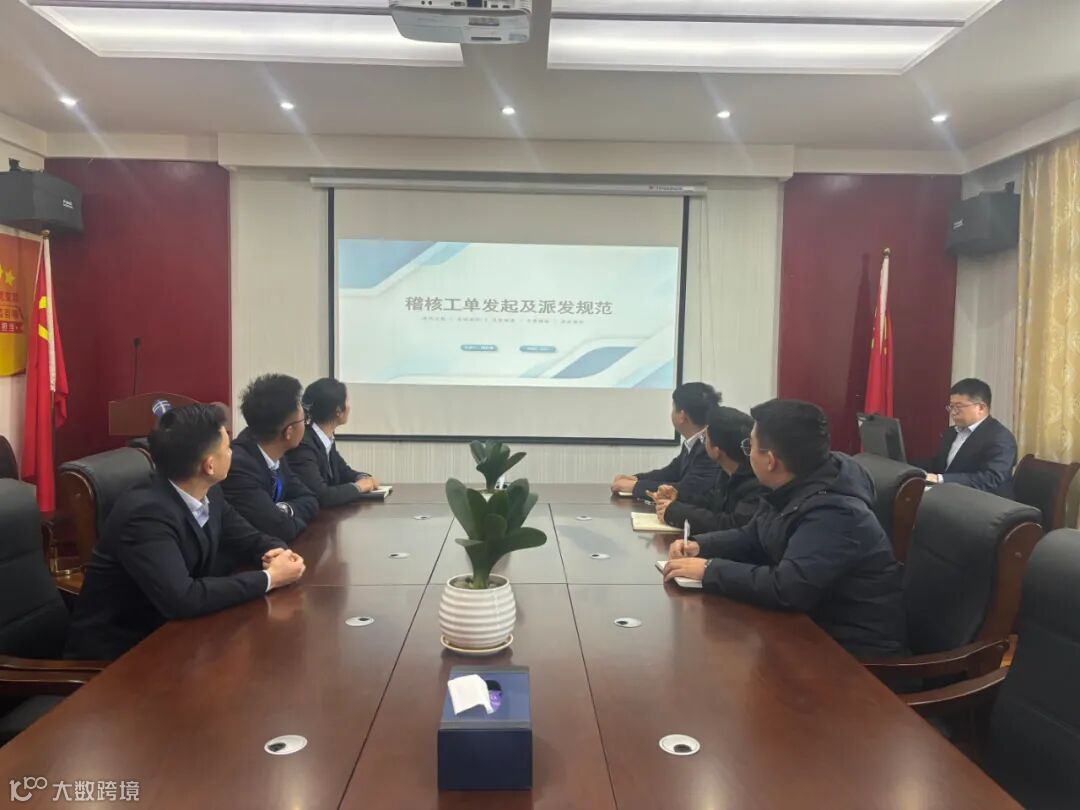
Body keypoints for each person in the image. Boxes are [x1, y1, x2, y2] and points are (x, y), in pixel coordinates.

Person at [663, 399, 907, 657]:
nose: (747, 454)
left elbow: (788, 588)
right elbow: (754, 534)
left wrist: (710, 570)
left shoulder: (836, 512)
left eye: (750, 446)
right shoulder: (793, 485)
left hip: (852, 657)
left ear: (770, 460)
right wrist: (701, 546)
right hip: (807, 633)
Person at [65, 404, 306, 660]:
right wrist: (270, 578)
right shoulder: (145, 515)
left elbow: (247, 536)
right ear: (209, 465)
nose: (232, 453)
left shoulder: (208, 490)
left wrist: (275, 552)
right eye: (227, 448)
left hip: (176, 634)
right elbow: (183, 598)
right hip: (121, 655)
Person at [221, 374, 319, 542]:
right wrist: (288, 519)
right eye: (304, 420)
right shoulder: (238, 466)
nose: (305, 425)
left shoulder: (276, 454)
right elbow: (280, 529)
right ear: (288, 432)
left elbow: (310, 499)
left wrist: (284, 509)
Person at [648, 405, 767, 534]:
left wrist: (676, 512)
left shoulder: (756, 482)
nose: (703, 442)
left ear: (716, 451)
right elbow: (711, 503)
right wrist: (678, 496)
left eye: (705, 437)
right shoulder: (726, 471)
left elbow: (730, 524)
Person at [611, 382, 721, 500]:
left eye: (673, 408)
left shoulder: (711, 446)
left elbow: (689, 489)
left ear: (682, 416)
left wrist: (634, 486)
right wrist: (636, 479)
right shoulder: (695, 441)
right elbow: (671, 472)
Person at [286, 377, 380, 508]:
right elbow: (322, 496)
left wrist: (362, 477)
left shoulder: (326, 438)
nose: (350, 406)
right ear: (338, 411)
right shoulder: (303, 445)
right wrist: (358, 487)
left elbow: (344, 472)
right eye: (347, 401)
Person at [917, 378, 1017, 495]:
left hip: (985, 500)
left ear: (981, 408)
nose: (953, 412)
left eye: (958, 407)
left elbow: (991, 478)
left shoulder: (1001, 438)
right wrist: (910, 469)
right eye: (951, 407)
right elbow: (939, 464)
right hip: (951, 494)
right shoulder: (951, 432)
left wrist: (940, 479)